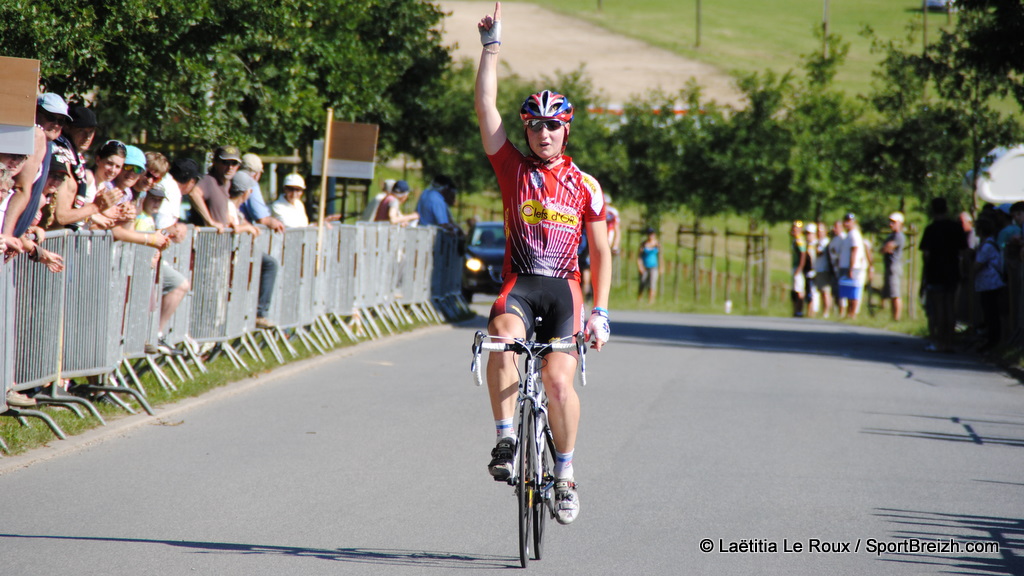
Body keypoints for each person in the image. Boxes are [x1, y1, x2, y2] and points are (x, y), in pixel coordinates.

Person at [475, 2, 611, 526]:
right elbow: (486, 109)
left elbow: (600, 253)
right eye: (535, 126)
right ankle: (506, 441)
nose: (544, 134)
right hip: (521, 285)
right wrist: (491, 49)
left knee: (558, 382)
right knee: (500, 336)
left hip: (564, 293)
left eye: (554, 126)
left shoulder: (586, 185)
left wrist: (601, 311)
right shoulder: (511, 168)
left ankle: (566, 474)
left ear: (567, 130)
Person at [134, 184, 189, 355]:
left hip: (149, 267)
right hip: (141, 267)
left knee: (152, 302)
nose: (156, 203)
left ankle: (152, 335)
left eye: (159, 200)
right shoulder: (141, 218)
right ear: (144, 198)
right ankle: (148, 336)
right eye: (153, 199)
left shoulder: (149, 218)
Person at [229, 171, 278, 329]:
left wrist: (248, 227)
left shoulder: (235, 208)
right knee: (270, 264)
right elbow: (232, 228)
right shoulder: (229, 206)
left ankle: (257, 312)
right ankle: (260, 313)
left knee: (269, 263)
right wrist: (247, 228)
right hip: (230, 256)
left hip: (238, 254)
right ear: (247, 192)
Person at [920, 197, 968, 353]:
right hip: (952, 271)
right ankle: (949, 341)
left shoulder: (931, 229)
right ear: (946, 209)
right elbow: (963, 251)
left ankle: (939, 341)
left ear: (933, 211)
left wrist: (924, 275)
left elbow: (926, 254)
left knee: (939, 307)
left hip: (935, 271)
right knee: (950, 306)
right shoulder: (956, 228)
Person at [188, 145, 239, 232]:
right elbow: (194, 193)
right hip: (205, 242)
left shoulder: (226, 184)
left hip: (219, 242)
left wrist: (229, 220)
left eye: (234, 163)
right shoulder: (209, 180)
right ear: (215, 162)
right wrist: (210, 222)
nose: (230, 167)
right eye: (225, 162)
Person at [972, 217, 1004, 353]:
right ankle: (990, 339)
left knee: (991, 313)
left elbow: (977, 264)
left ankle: (993, 340)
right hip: (987, 284)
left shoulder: (987, 246)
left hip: (991, 284)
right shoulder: (988, 244)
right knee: (988, 312)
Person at [239, 153, 286, 233]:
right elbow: (262, 218)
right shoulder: (251, 183)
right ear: (256, 174)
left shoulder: (228, 179)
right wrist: (275, 223)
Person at [839, 213, 867, 319]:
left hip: (852, 267)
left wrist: (851, 267)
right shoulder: (849, 234)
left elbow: (854, 250)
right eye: (845, 221)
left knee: (853, 290)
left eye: (849, 221)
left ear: (854, 222)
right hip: (846, 266)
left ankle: (852, 313)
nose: (846, 223)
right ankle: (848, 313)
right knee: (847, 290)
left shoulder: (854, 234)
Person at [881, 212, 906, 321]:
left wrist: (886, 247)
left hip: (894, 266)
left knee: (895, 293)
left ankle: (897, 317)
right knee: (891, 294)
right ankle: (893, 316)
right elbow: (883, 249)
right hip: (889, 265)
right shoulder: (891, 236)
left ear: (900, 223)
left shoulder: (899, 236)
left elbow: (887, 248)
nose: (891, 224)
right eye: (890, 222)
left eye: (894, 222)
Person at [812, 221, 833, 318]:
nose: (818, 233)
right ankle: (823, 310)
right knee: (821, 291)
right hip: (819, 268)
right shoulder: (819, 242)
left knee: (825, 291)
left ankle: (826, 312)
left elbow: (818, 253)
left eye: (820, 230)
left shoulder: (825, 242)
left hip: (824, 269)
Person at [637, 226, 660, 304]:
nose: (651, 235)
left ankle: (650, 301)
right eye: (649, 234)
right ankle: (639, 298)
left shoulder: (657, 244)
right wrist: (640, 266)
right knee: (642, 282)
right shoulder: (644, 244)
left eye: (652, 233)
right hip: (645, 266)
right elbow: (639, 256)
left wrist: (661, 266)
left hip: (654, 267)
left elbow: (660, 256)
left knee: (652, 283)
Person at [790, 220, 808, 317]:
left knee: (799, 290)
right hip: (795, 267)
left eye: (796, 228)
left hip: (798, 268)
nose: (794, 229)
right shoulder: (795, 240)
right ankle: (795, 310)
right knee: (794, 290)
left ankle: (799, 310)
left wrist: (800, 268)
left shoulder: (800, 240)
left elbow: (803, 255)